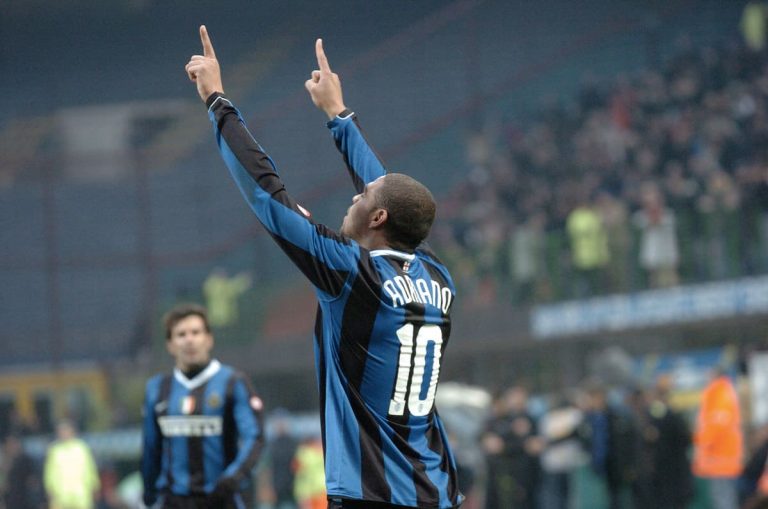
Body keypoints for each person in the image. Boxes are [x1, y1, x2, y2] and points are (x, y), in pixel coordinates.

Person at [185, 26, 463, 509]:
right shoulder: (438, 276)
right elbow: (388, 192)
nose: (355, 196)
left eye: (362, 198)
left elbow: (267, 196)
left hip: (370, 493)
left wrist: (217, 101)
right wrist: (338, 115)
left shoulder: (353, 274)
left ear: (378, 218)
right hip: (438, 491)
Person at [141, 303, 265, 508]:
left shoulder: (233, 382)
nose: (189, 340)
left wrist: (232, 479)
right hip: (173, 501)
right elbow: (150, 448)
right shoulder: (157, 388)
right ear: (170, 344)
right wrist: (149, 495)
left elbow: (255, 437)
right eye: (181, 334)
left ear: (209, 339)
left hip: (222, 499)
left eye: (196, 332)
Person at [693, 368, 743, 509]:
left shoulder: (719, 394)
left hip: (719, 456)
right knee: (723, 496)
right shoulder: (723, 393)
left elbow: (716, 423)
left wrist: (702, 442)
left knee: (722, 497)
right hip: (722, 456)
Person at [43, 419, 101, 509]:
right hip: (60, 496)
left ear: (72, 431)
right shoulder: (54, 450)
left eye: (66, 430)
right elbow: (49, 472)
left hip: (81, 495)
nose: (64, 433)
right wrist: (49, 489)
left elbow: (90, 468)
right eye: (61, 431)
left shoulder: (82, 448)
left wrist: (95, 485)